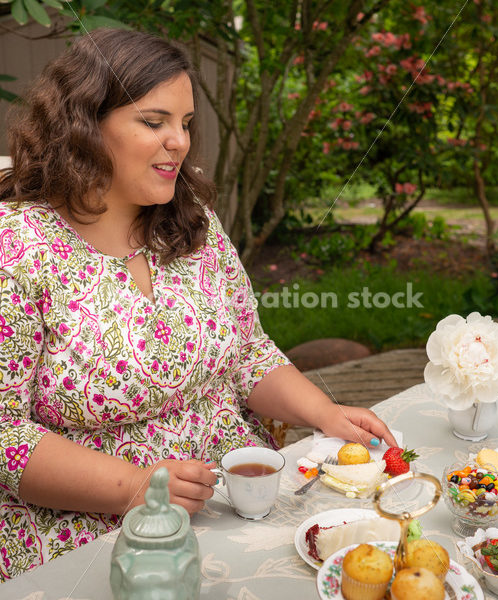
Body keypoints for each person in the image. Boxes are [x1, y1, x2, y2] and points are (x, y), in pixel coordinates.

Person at [0, 28, 396, 581]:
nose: (180, 142)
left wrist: (324, 414)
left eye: (185, 124)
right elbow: (6, 434)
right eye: (154, 121)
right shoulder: (17, 247)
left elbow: (247, 353)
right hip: (93, 529)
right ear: (84, 125)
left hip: (239, 495)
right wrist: (136, 488)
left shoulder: (191, 223)